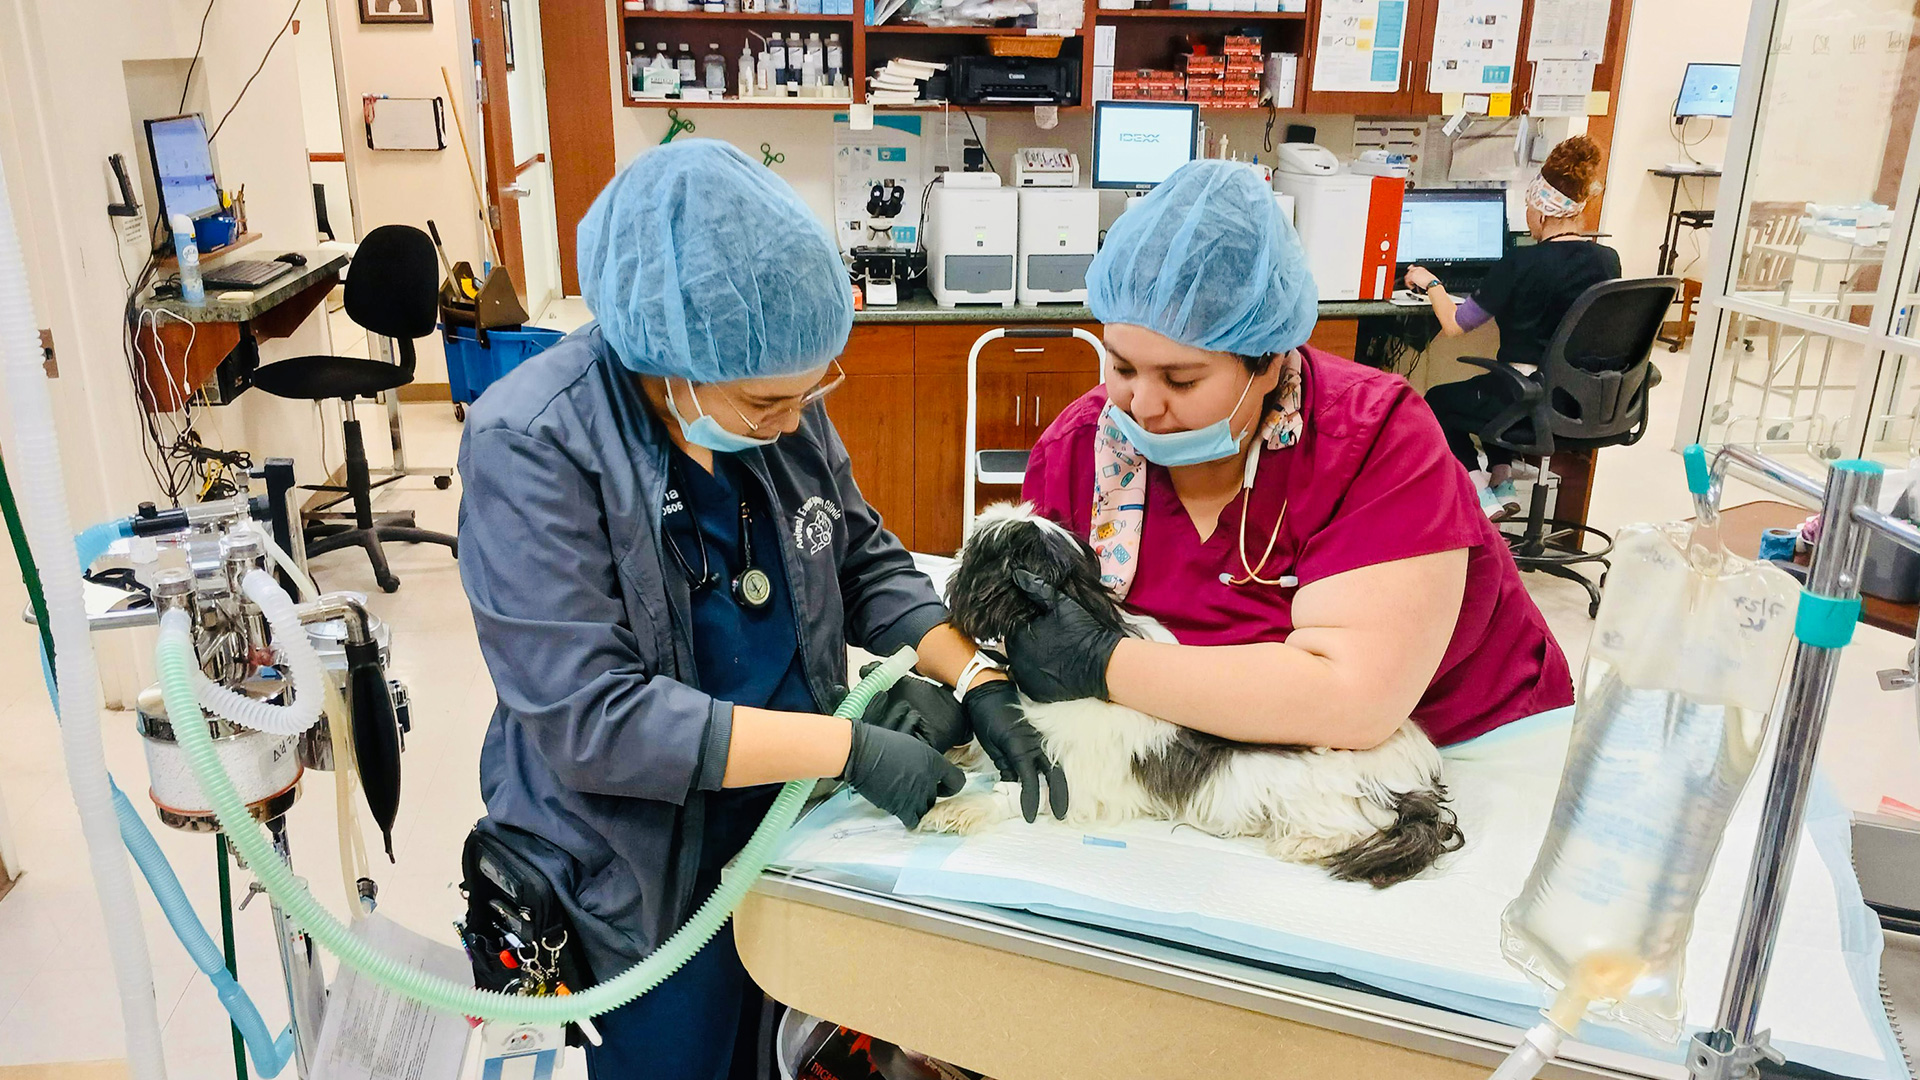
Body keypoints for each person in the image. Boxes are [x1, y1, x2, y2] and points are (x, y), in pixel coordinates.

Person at [456, 140, 1066, 1080]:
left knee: (794, 1052)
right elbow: (595, 719)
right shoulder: (531, 443)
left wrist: (973, 673)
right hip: (639, 873)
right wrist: (847, 749)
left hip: (790, 827)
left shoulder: (763, 392)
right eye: (769, 403)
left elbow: (857, 554)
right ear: (665, 356)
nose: (794, 420)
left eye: (810, 393)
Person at [1007, 160, 1572, 757]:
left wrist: (1104, 663)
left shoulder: (1377, 439)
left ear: (1271, 359)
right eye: (1121, 367)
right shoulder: (1081, 451)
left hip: (1453, 751)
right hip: (1204, 763)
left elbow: (1352, 700)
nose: (1141, 406)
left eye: (1181, 379)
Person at [1409, 135, 1622, 519]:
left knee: (1440, 400)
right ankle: (1502, 480)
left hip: (1530, 400)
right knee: (1497, 390)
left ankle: (1479, 492)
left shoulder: (1520, 265)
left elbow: (1456, 324)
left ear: (1539, 212)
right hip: (1587, 402)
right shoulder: (1608, 261)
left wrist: (1430, 282)